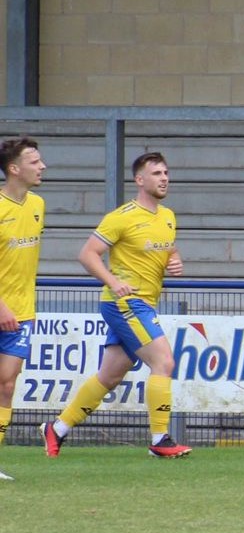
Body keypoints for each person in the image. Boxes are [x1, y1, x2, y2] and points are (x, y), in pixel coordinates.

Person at [44, 153, 191, 459]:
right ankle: (160, 439)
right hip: (125, 302)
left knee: (110, 375)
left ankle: (57, 428)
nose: (164, 178)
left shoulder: (168, 217)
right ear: (140, 180)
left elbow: (168, 251)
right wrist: (112, 281)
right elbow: (87, 254)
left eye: (166, 172)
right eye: (156, 173)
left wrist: (174, 262)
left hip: (145, 303)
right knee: (163, 362)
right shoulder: (122, 217)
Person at [0, 137, 47, 480]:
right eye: (34, 161)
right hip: (3, 308)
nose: (42, 166)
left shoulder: (38, 205)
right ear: (14, 169)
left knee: (6, 384)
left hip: (22, 312)